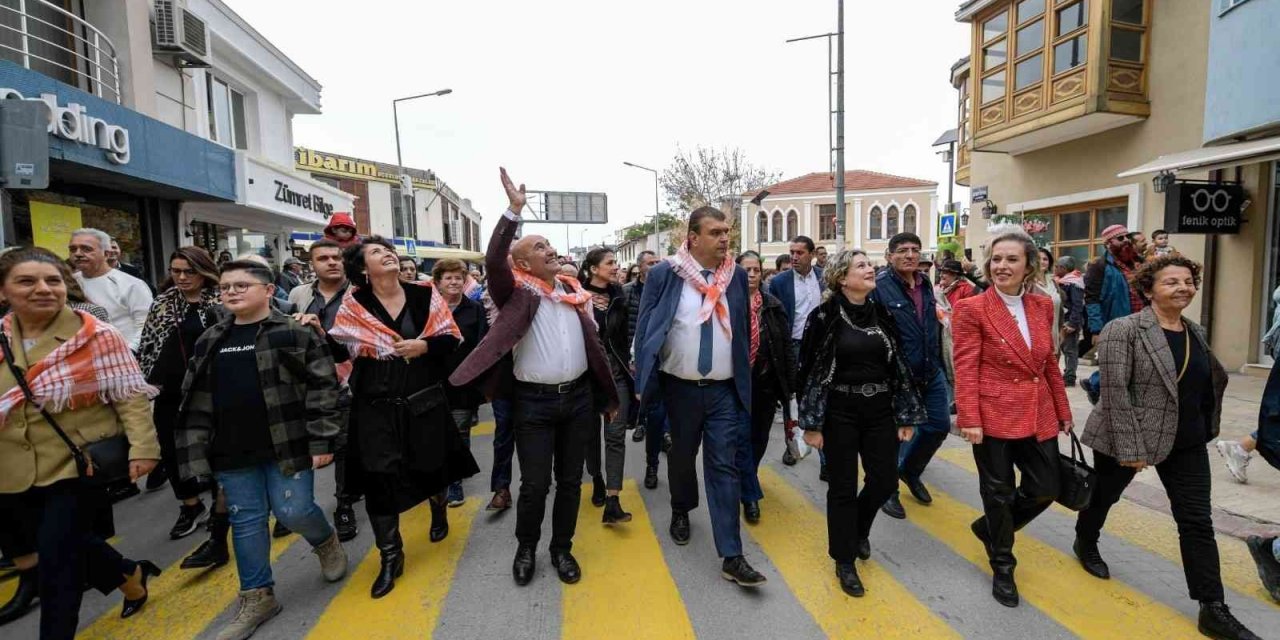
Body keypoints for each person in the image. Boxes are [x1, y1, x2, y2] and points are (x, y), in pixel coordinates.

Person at [1072, 255, 1260, 639]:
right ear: (1148, 289)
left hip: (1186, 441)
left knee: (1196, 522)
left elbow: (1207, 382)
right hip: (1131, 437)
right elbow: (1115, 395)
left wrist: (1207, 423)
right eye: (1171, 281)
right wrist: (1130, 448)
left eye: (1189, 281)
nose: (1183, 288)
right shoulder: (1122, 330)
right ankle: (1085, 540)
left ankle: (1213, 607)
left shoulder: (1195, 331)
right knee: (1105, 496)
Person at [449, 168, 618, 587]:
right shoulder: (516, 293)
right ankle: (527, 547)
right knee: (535, 484)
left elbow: (596, 352)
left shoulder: (573, 293)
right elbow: (493, 260)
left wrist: (608, 399)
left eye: (550, 244)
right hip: (534, 404)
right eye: (540, 246)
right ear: (523, 263)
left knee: (569, 482)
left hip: (577, 400)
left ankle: (562, 548)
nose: (551, 249)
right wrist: (513, 212)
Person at [174, 260, 347, 639]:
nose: (231, 292)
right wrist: (196, 448)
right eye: (225, 287)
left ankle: (325, 540)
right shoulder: (211, 339)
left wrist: (321, 439)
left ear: (269, 291)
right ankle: (258, 595)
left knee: (294, 509)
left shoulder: (295, 332)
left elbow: (323, 387)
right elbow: (194, 398)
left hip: (287, 443)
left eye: (242, 285)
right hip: (231, 450)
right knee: (246, 521)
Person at [0, 247, 162, 639]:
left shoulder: (94, 335)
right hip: (8, 467)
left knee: (58, 562)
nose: (43, 289)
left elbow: (129, 394)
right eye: (27, 281)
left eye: (53, 280)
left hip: (74, 462)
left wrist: (143, 448)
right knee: (69, 543)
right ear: (4, 291)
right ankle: (129, 574)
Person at [328, 237, 478, 598]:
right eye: (377, 252)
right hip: (374, 401)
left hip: (422, 395)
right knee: (379, 479)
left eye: (388, 250)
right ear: (364, 269)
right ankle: (390, 556)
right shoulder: (354, 303)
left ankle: (438, 509)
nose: (387, 254)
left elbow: (450, 338)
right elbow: (340, 346)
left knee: (432, 466)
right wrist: (318, 331)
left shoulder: (425, 295)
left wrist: (423, 345)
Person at [634, 206, 766, 587]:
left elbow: (741, 329)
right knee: (682, 455)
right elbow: (646, 328)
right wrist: (642, 379)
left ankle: (732, 555)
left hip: (724, 388)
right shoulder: (665, 273)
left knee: (724, 465)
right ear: (693, 237)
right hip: (680, 387)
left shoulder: (737, 277)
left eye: (726, 231)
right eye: (715, 232)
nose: (724, 238)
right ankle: (680, 508)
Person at [952, 226, 1073, 609]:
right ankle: (1003, 563)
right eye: (997, 259)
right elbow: (966, 367)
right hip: (993, 413)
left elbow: (1049, 363)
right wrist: (969, 417)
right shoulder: (971, 308)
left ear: (1029, 267)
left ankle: (988, 529)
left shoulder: (1042, 306)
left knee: (1046, 487)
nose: (1002, 266)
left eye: (1012, 259)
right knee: (999, 492)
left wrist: (1063, 410)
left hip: (1037, 412)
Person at [797, 249, 925, 597]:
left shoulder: (881, 312)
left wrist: (905, 413)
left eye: (870, 264)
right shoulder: (824, 316)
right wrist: (812, 423)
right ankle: (844, 559)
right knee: (841, 487)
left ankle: (858, 529)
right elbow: (808, 372)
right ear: (842, 278)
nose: (871, 269)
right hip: (840, 410)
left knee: (884, 481)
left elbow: (898, 365)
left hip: (880, 408)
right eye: (862, 266)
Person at [135, 248, 225, 542]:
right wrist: (147, 381)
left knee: (216, 448)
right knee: (172, 450)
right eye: (176, 271)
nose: (182, 277)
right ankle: (190, 505)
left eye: (189, 271)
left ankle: (221, 508)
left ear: (204, 271)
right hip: (170, 389)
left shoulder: (221, 299)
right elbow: (150, 345)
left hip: (213, 386)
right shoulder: (163, 303)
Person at [870, 232, 950, 521]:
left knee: (938, 426)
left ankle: (910, 471)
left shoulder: (925, 283)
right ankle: (887, 490)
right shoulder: (878, 288)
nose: (910, 255)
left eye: (915, 250)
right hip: (896, 376)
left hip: (930, 371)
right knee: (893, 438)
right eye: (902, 250)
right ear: (890, 255)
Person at [288, 239, 360, 543]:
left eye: (336, 257)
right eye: (323, 258)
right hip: (308, 383)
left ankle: (344, 505)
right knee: (306, 444)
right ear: (311, 263)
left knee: (343, 447)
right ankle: (292, 506)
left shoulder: (358, 293)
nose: (331, 262)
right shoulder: (298, 295)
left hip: (350, 380)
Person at [735, 251, 795, 523]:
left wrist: (790, 384)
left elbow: (784, 346)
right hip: (736, 383)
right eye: (746, 269)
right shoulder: (726, 303)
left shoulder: (772, 305)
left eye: (756, 270)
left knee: (759, 437)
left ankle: (748, 476)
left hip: (766, 382)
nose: (751, 275)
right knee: (741, 438)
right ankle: (749, 495)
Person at [578, 247, 636, 524]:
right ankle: (597, 478)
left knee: (615, 437)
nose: (616, 267)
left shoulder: (619, 296)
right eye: (610, 263)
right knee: (589, 436)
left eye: (616, 262)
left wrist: (630, 366)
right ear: (593, 269)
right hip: (586, 377)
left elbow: (624, 337)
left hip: (616, 374)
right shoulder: (575, 295)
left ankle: (613, 499)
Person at [433, 259, 489, 508]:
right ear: (439, 282)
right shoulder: (428, 308)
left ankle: (454, 484)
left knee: (459, 432)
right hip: (432, 382)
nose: (454, 282)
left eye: (458, 277)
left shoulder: (474, 309)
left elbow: (482, 344)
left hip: (463, 382)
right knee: (434, 433)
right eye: (448, 278)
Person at [765, 236, 824, 475]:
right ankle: (792, 447)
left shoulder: (823, 278)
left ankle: (825, 459)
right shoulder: (780, 282)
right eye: (792, 252)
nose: (795, 257)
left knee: (821, 400)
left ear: (811, 254)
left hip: (821, 347)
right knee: (794, 400)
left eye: (800, 252)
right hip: (794, 347)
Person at [1081, 224, 1143, 404]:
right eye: (1120, 238)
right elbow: (1091, 300)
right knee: (1116, 364)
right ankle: (1096, 385)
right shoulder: (1099, 266)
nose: (1126, 241)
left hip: (1142, 321)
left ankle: (1098, 384)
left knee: (1135, 362)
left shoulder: (1139, 262)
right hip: (1116, 323)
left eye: (1127, 237)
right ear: (1108, 243)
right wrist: (1096, 329)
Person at [68, 228, 153, 349]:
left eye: (86, 249)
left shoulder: (132, 284)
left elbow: (145, 325)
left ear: (106, 254)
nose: (78, 254)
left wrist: (129, 353)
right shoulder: (67, 283)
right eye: (73, 249)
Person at [624, 251, 661, 449]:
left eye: (657, 261)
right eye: (650, 263)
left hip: (658, 351)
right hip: (635, 351)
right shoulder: (628, 291)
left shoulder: (664, 289)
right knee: (639, 390)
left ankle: (660, 431)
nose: (655, 265)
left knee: (657, 393)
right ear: (640, 267)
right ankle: (640, 423)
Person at [1055, 256, 1085, 386]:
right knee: (1064, 348)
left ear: (1064, 268)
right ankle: (1067, 373)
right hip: (1063, 320)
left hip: (1069, 322)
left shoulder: (1075, 283)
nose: (1055, 269)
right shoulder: (1063, 281)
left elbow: (1078, 305)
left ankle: (1070, 377)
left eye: (1057, 266)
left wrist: (1072, 323)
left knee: (1070, 350)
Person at [1030, 248, 1062, 351]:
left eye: (1045, 259)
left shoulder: (1053, 283)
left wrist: (1061, 330)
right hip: (1035, 335)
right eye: (1038, 259)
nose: (1042, 262)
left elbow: (1060, 308)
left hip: (1054, 332)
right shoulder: (1027, 283)